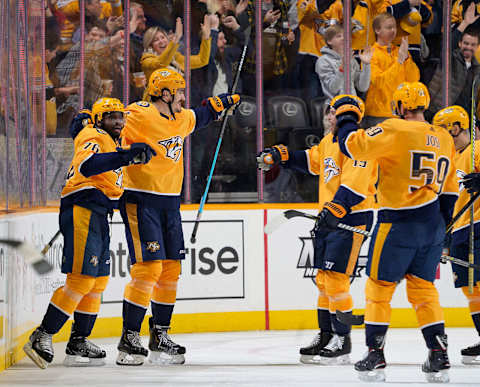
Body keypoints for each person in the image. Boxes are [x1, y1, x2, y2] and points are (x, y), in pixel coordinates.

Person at [334, 83, 459, 382]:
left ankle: (375, 353)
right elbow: (451, 192)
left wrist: (347, 114)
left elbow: (350, 145)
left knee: (379, 288)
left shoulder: (395, 129)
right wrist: (444, 234)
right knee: (423, 290)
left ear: (401, 107)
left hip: (397, 223)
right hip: (433, 224)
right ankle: (438, 351)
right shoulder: (443, 136)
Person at [116, 68, 240, 366]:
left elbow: (203, 114)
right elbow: (112, 130)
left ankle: (160, 335)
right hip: (140, 198)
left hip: (169, 203)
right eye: (180, 91)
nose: (185, 97)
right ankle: (129, 337)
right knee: (148, 269)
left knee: (170, 270)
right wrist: (127, 151)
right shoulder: (139, 113)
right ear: (166, 93)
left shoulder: (181, 117)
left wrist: (224, 102)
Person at [23, 98, 156, 369]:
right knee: (82, 279)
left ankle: (78, 340)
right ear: (98, 120)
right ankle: (43, 335)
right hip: (83, 205)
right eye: (110, 117)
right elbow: (87, 166)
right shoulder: (93, 134)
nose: (118, 121)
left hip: (99, 210)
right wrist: (127, 155)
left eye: (120, 116)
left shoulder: (110, 141)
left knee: (98, 281)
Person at [256, 95, 377, 365]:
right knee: (323, 279)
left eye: (333, 113)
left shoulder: (360, 143)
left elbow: (355, 188)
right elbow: (311, 161)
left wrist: (334, 210)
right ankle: (326, 334)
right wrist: (282, 156)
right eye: (328, 112)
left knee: (335, 278)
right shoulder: (329, 141)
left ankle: (342, 339)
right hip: (329, 216)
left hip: (351, 218)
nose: (329, 117)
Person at [433, 105, 480, 364]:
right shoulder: (449, 159)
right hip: (460, 229)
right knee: (470, 288)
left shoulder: (478, 149)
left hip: (479, 225)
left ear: (455, 127)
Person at [363, 12, 420, 127]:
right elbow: (379, 82)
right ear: (377, 30)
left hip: (401, 114)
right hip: (378, 115)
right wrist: (399, 61)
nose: (393, 30)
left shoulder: (400, 52)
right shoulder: (371, 54)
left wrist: (406, 59)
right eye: (389, 27)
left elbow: (414, 80)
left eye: (394, 27)